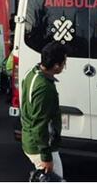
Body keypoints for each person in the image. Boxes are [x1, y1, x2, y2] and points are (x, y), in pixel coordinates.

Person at [20, 43, 67, 181]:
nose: (64, 66)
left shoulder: (32, 72)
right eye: (64, 63)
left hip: (29, 138)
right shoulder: (44, 88)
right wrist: (46, 157)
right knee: (55, 179)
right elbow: (39, 125)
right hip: (39, 146)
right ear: (56, 66)